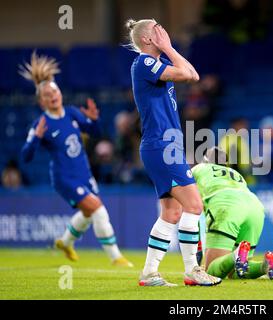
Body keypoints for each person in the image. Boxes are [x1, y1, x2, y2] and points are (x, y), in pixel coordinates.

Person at [127, 19, 221, 287]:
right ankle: (193, 270)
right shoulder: (144, 62)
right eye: (158, 29)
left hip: (164, 145)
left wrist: (168, 49)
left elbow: (193, 74)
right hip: (161, 145)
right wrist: (167, 47)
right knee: (194, 205)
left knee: (172, 213)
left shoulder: (156, 65)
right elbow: (187, 75)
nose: (164, 31)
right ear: (148, 39)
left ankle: (149, 273)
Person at [20, 52, 132, 267]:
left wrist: (94, 120)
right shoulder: (40, 124)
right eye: (47, 95)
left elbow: (95, 133)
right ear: (41, 102)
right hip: (65, 178)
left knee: (89, 214)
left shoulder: (71, 113)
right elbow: (26, 156)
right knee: (98, 209)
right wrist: (36, 139)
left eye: (54, 92)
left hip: (84, 173)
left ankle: (65, 242)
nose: (52, 96)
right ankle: (116, 257)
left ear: (60, 93)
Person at [193, 147, 273, 280]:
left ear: (205, 160)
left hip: (225, 204)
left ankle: (236, 255)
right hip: (255, 206)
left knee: (211, 272)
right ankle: (264, 266)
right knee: (237, 270)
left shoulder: (198, 169)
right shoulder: (235, 174)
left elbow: (190, 209)